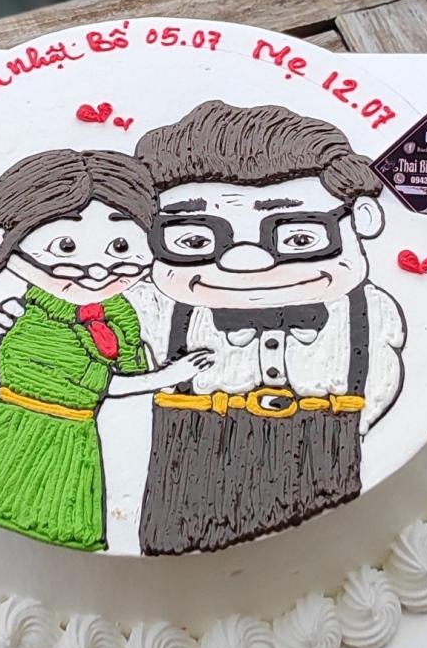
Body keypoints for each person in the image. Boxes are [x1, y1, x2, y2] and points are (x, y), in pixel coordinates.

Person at [129, 100, 406, 555]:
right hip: (187, 502)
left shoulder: (369, 314)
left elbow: (381, 383)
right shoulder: (154, 308)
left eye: (298, 237)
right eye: (195, 240)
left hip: (329, 502)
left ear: (362, 218)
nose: (245, 263)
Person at [0, 149, 212, 552]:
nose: (97, 269)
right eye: (66, 246)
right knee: (24, 516)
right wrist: (171, 375)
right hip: (24, 437)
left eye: (121, 245)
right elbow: (107, 384)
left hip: (76, 435)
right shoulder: (39, 324)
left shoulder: (118, 311)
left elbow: (131, 354)